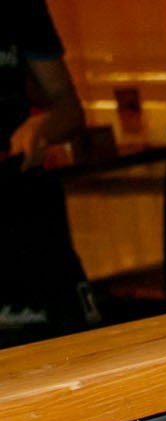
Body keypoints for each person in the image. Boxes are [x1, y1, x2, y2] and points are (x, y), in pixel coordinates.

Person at [2, 0, 95, 346]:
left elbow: (69, 108)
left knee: (77, 348)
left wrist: (40, 127)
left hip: (25, 205)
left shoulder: (21, 8)